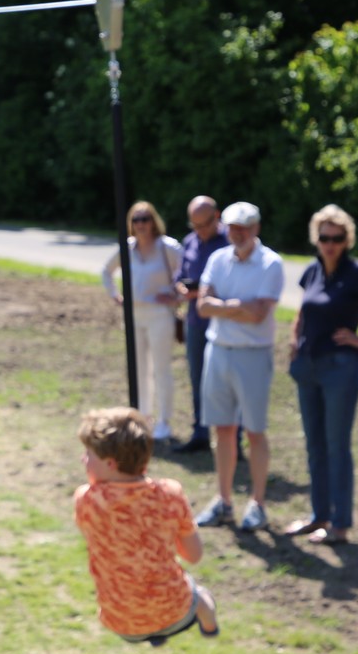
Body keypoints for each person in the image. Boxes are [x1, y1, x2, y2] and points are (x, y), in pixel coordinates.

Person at [284, 205, 358, 545]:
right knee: (314, 444)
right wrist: (294, 339)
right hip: (308, 366)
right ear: (316, 239)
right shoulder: (312, 271)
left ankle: (340, 524)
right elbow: (303, 310)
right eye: (324, 238)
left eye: (337, 238)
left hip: (340, 368)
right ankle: (318, 515)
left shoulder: (357, 273)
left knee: (337, 445)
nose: (330, 244)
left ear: (347, 240)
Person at [73, 407, 219, 644]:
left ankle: (155, 635)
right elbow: (194, 555)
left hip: (122, 623)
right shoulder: (170, 494)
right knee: (198, 594)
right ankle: (209, 626)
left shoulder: (86, 501)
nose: (83, 460)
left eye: (88, 454)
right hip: (176, 612)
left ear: (110, 463)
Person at [192, 201, 284, 531]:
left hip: (253, 354)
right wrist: (238, 306)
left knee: (255, 431)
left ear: (256, 228)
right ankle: (224, 500)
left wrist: (222, 306)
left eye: (244, 228)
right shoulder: (218, 259)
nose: (238, 234)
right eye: (233, 228)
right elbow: (202, 306)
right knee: (223, 429)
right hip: (218, 350)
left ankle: (257, 503)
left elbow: (259, 314)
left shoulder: (271, 263)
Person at [102, 201, 184, 441]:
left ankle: (164, 421)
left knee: (161, 369)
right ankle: (142, 417)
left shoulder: (167, 247)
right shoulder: (127, 247)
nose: (141, 224)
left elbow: (187, 273)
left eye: (145, 219)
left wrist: (176, 296)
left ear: (153, 221)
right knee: (138, 369)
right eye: (136, 220)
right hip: (134, 315)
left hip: (160, 314)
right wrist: (115, 295)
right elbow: (106, 271)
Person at [173, 195, 230, 454]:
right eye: (194, 225)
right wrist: (183, 289)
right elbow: (179, 275)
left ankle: (232, 439)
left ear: (216, 217)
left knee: (226, 382)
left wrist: (207, 294)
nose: (199, 231)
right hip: (195, 322)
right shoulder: (190, 242)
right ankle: (200, 433)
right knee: (198, 379)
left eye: (204, 225)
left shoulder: (230, 241)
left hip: (224, 323)